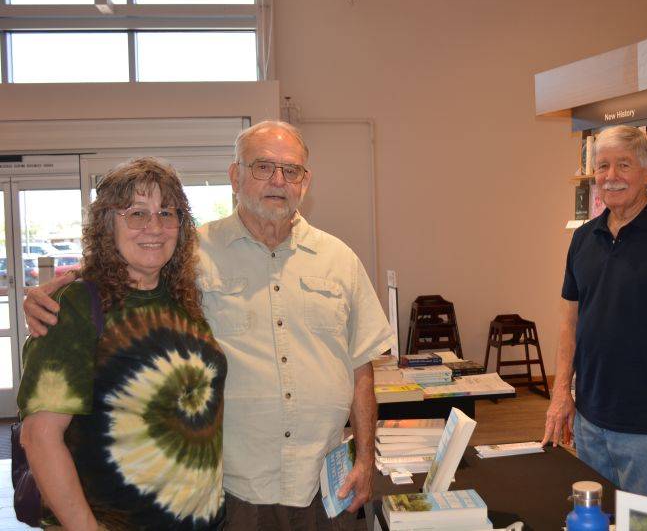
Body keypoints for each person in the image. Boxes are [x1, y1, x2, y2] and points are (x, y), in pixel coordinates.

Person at [25, 121, 395, 530]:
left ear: (305, 182)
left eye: (291, 170)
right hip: (234, 491)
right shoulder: (194, 254)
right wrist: (62, 288)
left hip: (322, 483)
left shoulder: (340, 260)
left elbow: (361, 367)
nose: (278, 180)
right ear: (235, 176)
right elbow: (131, 265)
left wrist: (365, 458)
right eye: (263, 167)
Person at [18, 158, 226, 530]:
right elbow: (39, 437)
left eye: (166, 212)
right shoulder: (77, 305)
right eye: (136, 213)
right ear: (107, 225)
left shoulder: (183, 299)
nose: (154, 227)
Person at [540, 125, 647, 505]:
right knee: (597, 524)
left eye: (624, 164)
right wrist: (561, 394)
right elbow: (569, 323)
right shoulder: (583, 239)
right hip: (590, 425)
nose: (611, 176)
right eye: (602, 166)